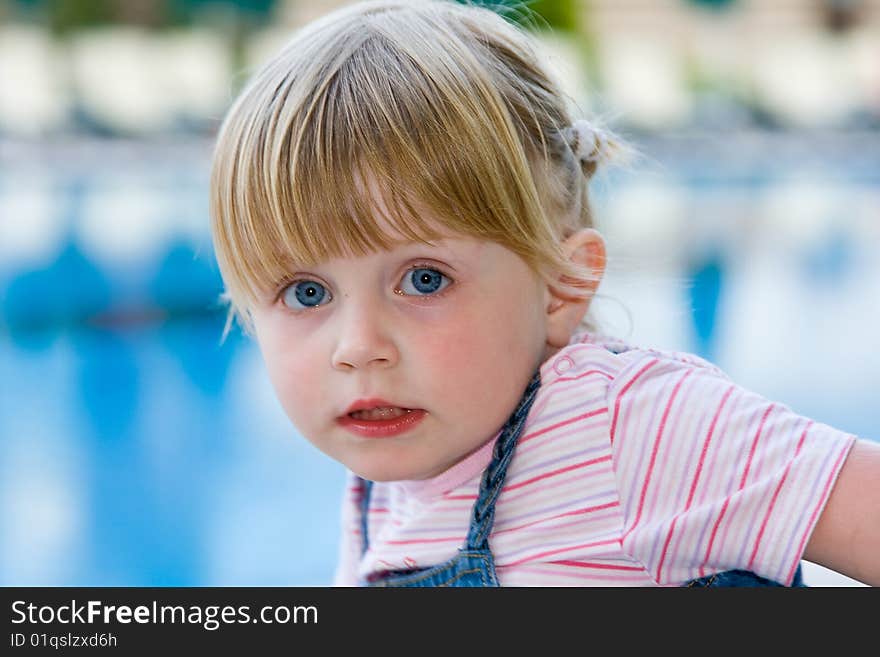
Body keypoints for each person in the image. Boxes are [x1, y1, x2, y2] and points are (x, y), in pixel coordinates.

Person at [208, 0, 879, 587]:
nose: (358, 348)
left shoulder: (633, 426)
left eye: (424, 279)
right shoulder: (376, 488)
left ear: (561, 285)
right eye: (305, 292)